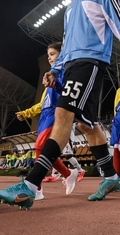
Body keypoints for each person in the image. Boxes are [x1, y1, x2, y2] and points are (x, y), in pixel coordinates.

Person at [0, 0, 120, 209]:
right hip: (72, 66)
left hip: (91, 62)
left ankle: (30, 185)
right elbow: (66, 45)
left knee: (63, 115)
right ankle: (111, 177)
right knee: (88, 126)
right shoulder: (71, 7)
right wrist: (56, 69)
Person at [15, 43, 78, 200]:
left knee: (39, 148)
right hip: (45, 115)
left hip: (56, 114)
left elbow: (67, 93)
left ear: (62, 55)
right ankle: (68, 173)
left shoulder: (65, 72)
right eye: (48, 54)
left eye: (52, 54)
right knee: (45, 152)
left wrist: (56, 84)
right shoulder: (50, 77)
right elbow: (43, 104)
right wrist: (26, 113)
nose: (49, 57)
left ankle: (36, 188)